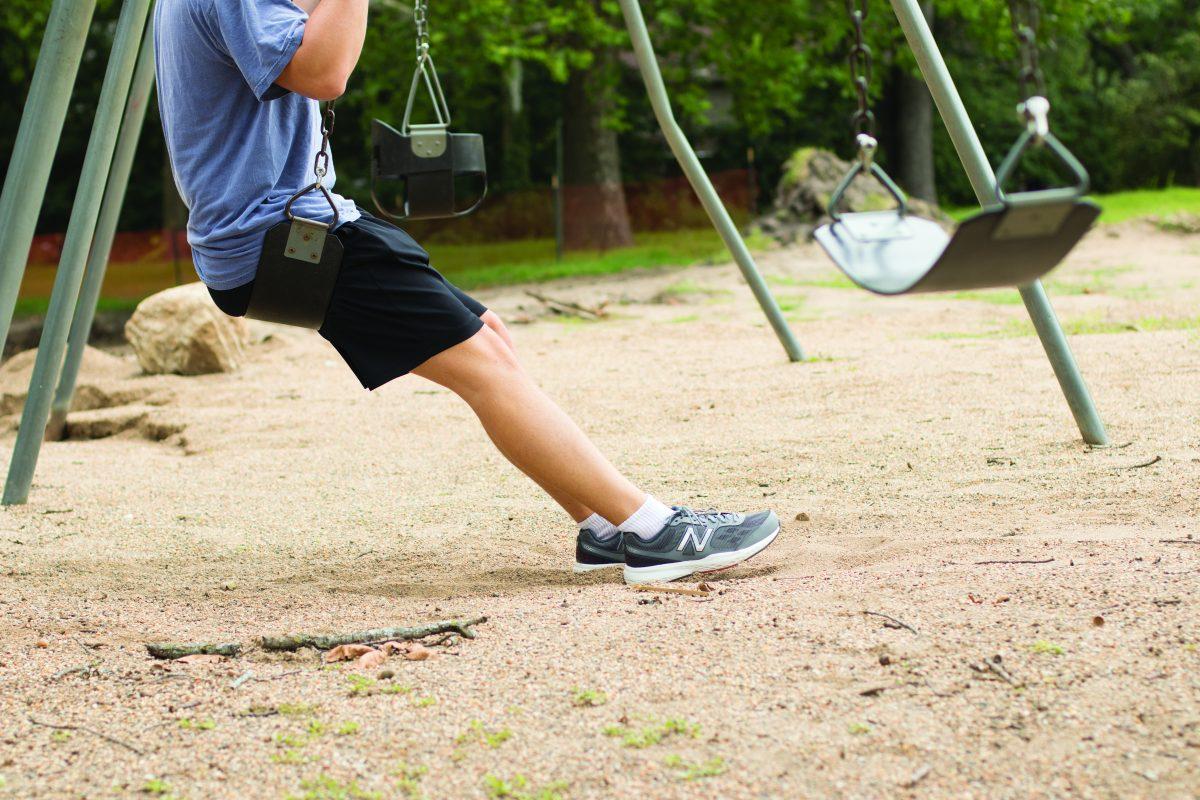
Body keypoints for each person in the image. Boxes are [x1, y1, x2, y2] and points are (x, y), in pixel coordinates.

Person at [152, 0, 780, 585]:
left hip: (293, 224)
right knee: (482, 364)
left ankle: (602, 528)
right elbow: (324, 69)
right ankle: (651, 530)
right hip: (280, 233)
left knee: (492, 343)